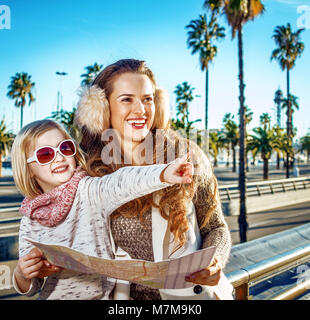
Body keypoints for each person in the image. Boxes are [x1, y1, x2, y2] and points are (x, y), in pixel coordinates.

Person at [75, 58, 232, 300]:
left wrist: (215, 259)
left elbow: (215, 227)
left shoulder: (187, 156)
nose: (141, 110)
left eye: (147, 99)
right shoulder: (86, 172)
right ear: (102, 109)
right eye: (127, 99)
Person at [11, 119, 193, 300]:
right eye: (45, 154)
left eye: (65, 148)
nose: (59, 157)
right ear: (29, 169)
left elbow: (122, 181)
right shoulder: (30, 218)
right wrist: (21, 274)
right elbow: (32, 286)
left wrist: (164, 173)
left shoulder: (89, 190)